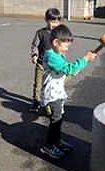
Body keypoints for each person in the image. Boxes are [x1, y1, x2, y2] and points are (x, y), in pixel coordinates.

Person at [40, 24, 97, 159]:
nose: (66, 49)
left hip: (57, 93)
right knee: (55, 120)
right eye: (65, 46)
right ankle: (48, 146)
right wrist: (85, 60)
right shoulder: (51, 56)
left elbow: (65, 69)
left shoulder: (57, 54)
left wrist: (71, 71)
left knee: (59, 118)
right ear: (55, 42)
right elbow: (68, 68)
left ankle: (56, 141)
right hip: (52, 95)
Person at [30, 8, 61, 113]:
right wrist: (34, 55)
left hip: (53, 66)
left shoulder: (59, 34)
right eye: (52, 22)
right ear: (46, 20)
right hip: (41, 63)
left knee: (51, 85)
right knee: (38, 83)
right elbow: (35, 45)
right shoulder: (40, 33)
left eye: (57, 22)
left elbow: (61, 48)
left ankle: (49, 102)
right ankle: (36, 101)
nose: (54, 25)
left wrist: (62, 61)